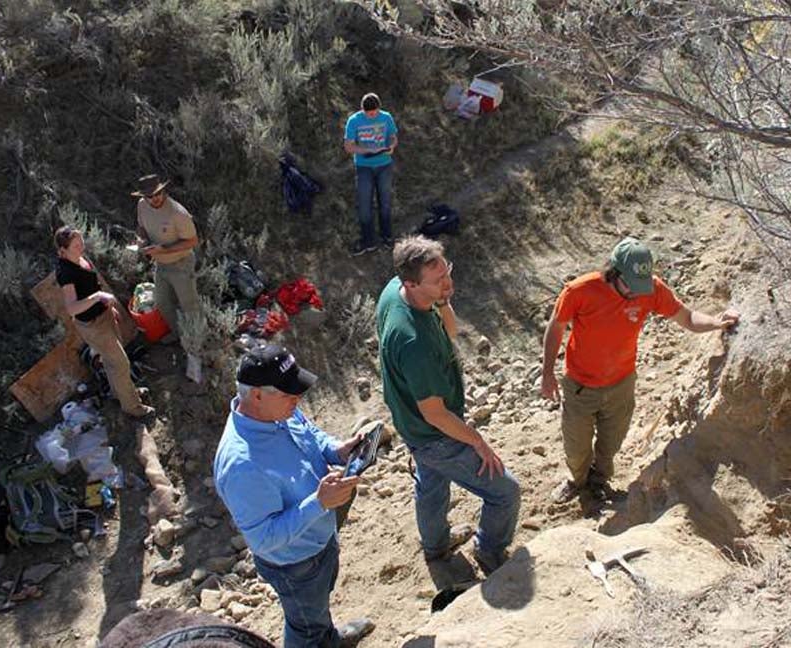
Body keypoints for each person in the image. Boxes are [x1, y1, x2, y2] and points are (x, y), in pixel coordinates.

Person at [540, 237, 740, 503]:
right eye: (630, 285)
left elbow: (686, 317)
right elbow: (555, 328)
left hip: (621, 382)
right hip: (580, 385)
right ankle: (577, 482)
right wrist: (547, 373)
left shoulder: (651, 290)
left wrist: (716, 322)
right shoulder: (579, 291)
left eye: (640, 286)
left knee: (611, 443)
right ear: (614, 272)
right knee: (576, 448)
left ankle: (599, 481)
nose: (636, 293)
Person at [376, 236, 520, 574]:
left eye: (447, 271)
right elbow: (436, 413)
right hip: (434, 433)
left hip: (411, 422)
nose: (449, 282)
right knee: (505, 491)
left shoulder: (395, 291)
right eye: (439, 280)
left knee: (431, 485)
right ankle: (489, 550)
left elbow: (451, 331)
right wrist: (477, 441)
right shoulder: (414, 342)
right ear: (411, 283)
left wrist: (440, 299)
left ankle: (435, 548)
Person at [213, 344, 374, 648]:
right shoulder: (241, 465)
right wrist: (320, 503)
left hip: (318, 538)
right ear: (257, 395)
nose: (297, 399)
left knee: (315, 611)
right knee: (304, 628)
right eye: (289, 393)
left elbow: (312, 436)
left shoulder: (278, 410)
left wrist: (340, 451)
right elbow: (263, 538)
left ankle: (329, 638)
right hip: (296, 563)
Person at [54, 226, 154, 419]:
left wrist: (108, 307)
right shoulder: (66, 273)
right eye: (76, 245)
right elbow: (72, 308)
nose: (81, 247)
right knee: (120, 364)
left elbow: (91, 284)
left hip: (104, 316)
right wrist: (98, 297)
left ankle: (122, 395)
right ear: (62, 251)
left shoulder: (79, 258)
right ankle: (133, 407)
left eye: (81, 241)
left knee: (112, 362)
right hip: (93, 325)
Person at [132, 174, 201, 343]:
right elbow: (141, 227)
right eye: (150, 196)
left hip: (181, 264)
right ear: (144, 197)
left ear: (163, 191)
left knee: (189, 306)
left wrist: (164, 249)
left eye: (158, 193)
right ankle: (179, 335)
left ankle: (197, 341)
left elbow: (192, 241)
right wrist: (141, 241)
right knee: (162, 303)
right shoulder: (142, 206)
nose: (155, 198)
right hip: (161, 264)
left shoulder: (178, 213)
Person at [343, 93, 398, 256]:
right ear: (362, 110)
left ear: (379, 108)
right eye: (369, 114)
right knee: (365, 205)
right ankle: (368, 242)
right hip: (364, 166)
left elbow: (393, 136)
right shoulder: (354, 121)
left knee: (385, 202)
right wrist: (368, 150)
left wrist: (392, 146)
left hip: (384, 165)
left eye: (375, 113)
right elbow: (349, 147)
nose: (372, 116)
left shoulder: (386, 117)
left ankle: (387, 237)